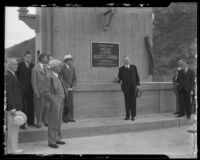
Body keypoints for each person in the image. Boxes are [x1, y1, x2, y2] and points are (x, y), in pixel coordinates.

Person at [44, 59, 66, 148]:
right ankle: (52, 141)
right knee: (53, 122)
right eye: (59, 66)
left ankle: (57, 138)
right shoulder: (49, 76)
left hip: (60, 101)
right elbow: (46, 92)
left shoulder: (57, 76)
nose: (60, 67)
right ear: (54, 67)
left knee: (58, 122)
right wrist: (54, 100)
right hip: (55, 102)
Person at [5, 59, 23, 153]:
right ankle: (12, 149)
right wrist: (12, 107)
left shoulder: (13, 75)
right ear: (9, 66)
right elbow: (9, 93)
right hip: (13, 107)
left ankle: (14, 147)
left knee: (15, 128)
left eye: (16, 64)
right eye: (13, 64)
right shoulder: (8, 76)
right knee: (12, 129)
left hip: (16, 105)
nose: (16, 66)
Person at [16, 51, 35, 129]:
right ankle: (22, 123)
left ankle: (31, 122)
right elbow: (16, 76)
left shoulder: (33, 65)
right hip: (21, 89)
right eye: (27, 57)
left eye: (30, 57)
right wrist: (20, 86)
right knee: (22, 106)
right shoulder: (19, 65)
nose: (29, 58)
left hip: (30, 89)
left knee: (31, 105)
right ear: (24, 57)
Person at [118, 56, 140, 121]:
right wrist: (119, 80)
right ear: (123, 61)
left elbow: (137, 77)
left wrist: (138, 85)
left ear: (129, 60)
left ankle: (133, 116)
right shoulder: (121, 69)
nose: (126, 61)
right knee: (127, 102)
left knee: (133, 102)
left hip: (133, 88)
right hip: (126, 88)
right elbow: (119, 78)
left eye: (127, 60)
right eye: (125, 60)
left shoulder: (134, 67)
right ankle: (127, 115)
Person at [31, 54, 50, 128]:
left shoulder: (48, 68)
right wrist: (36, 92)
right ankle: (38, 122)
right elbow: (33, 81)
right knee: (39, 108)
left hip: (47, 91)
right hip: (39, 92)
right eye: (46, 57)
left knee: (47, 107)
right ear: (41, 58)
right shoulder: (35, 69)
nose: (47, 58)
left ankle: (45, 121)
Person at [59, 54, 77, 123]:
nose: (71, 61)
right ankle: (65, 118)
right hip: (64, 89)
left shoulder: (73, 68)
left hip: (71, 89)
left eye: (71, 60)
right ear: (66, 61)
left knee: (70, 103)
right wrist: (67, 86)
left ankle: (71, 117)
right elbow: (61, 79)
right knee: (65, 104)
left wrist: (73, 86)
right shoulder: (62, 68)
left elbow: (75, 78)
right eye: (70, 60)